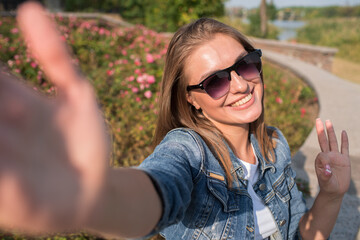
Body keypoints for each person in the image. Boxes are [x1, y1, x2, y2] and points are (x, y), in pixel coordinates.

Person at [0, 2, 351, 240]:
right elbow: (154, 190)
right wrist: (93, 197)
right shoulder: (189, 155)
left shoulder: (273, 145)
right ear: (190, 99)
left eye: (245, 64)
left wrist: (332, 195)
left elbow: (301, 234)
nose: (242, 84)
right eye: (216, 81)